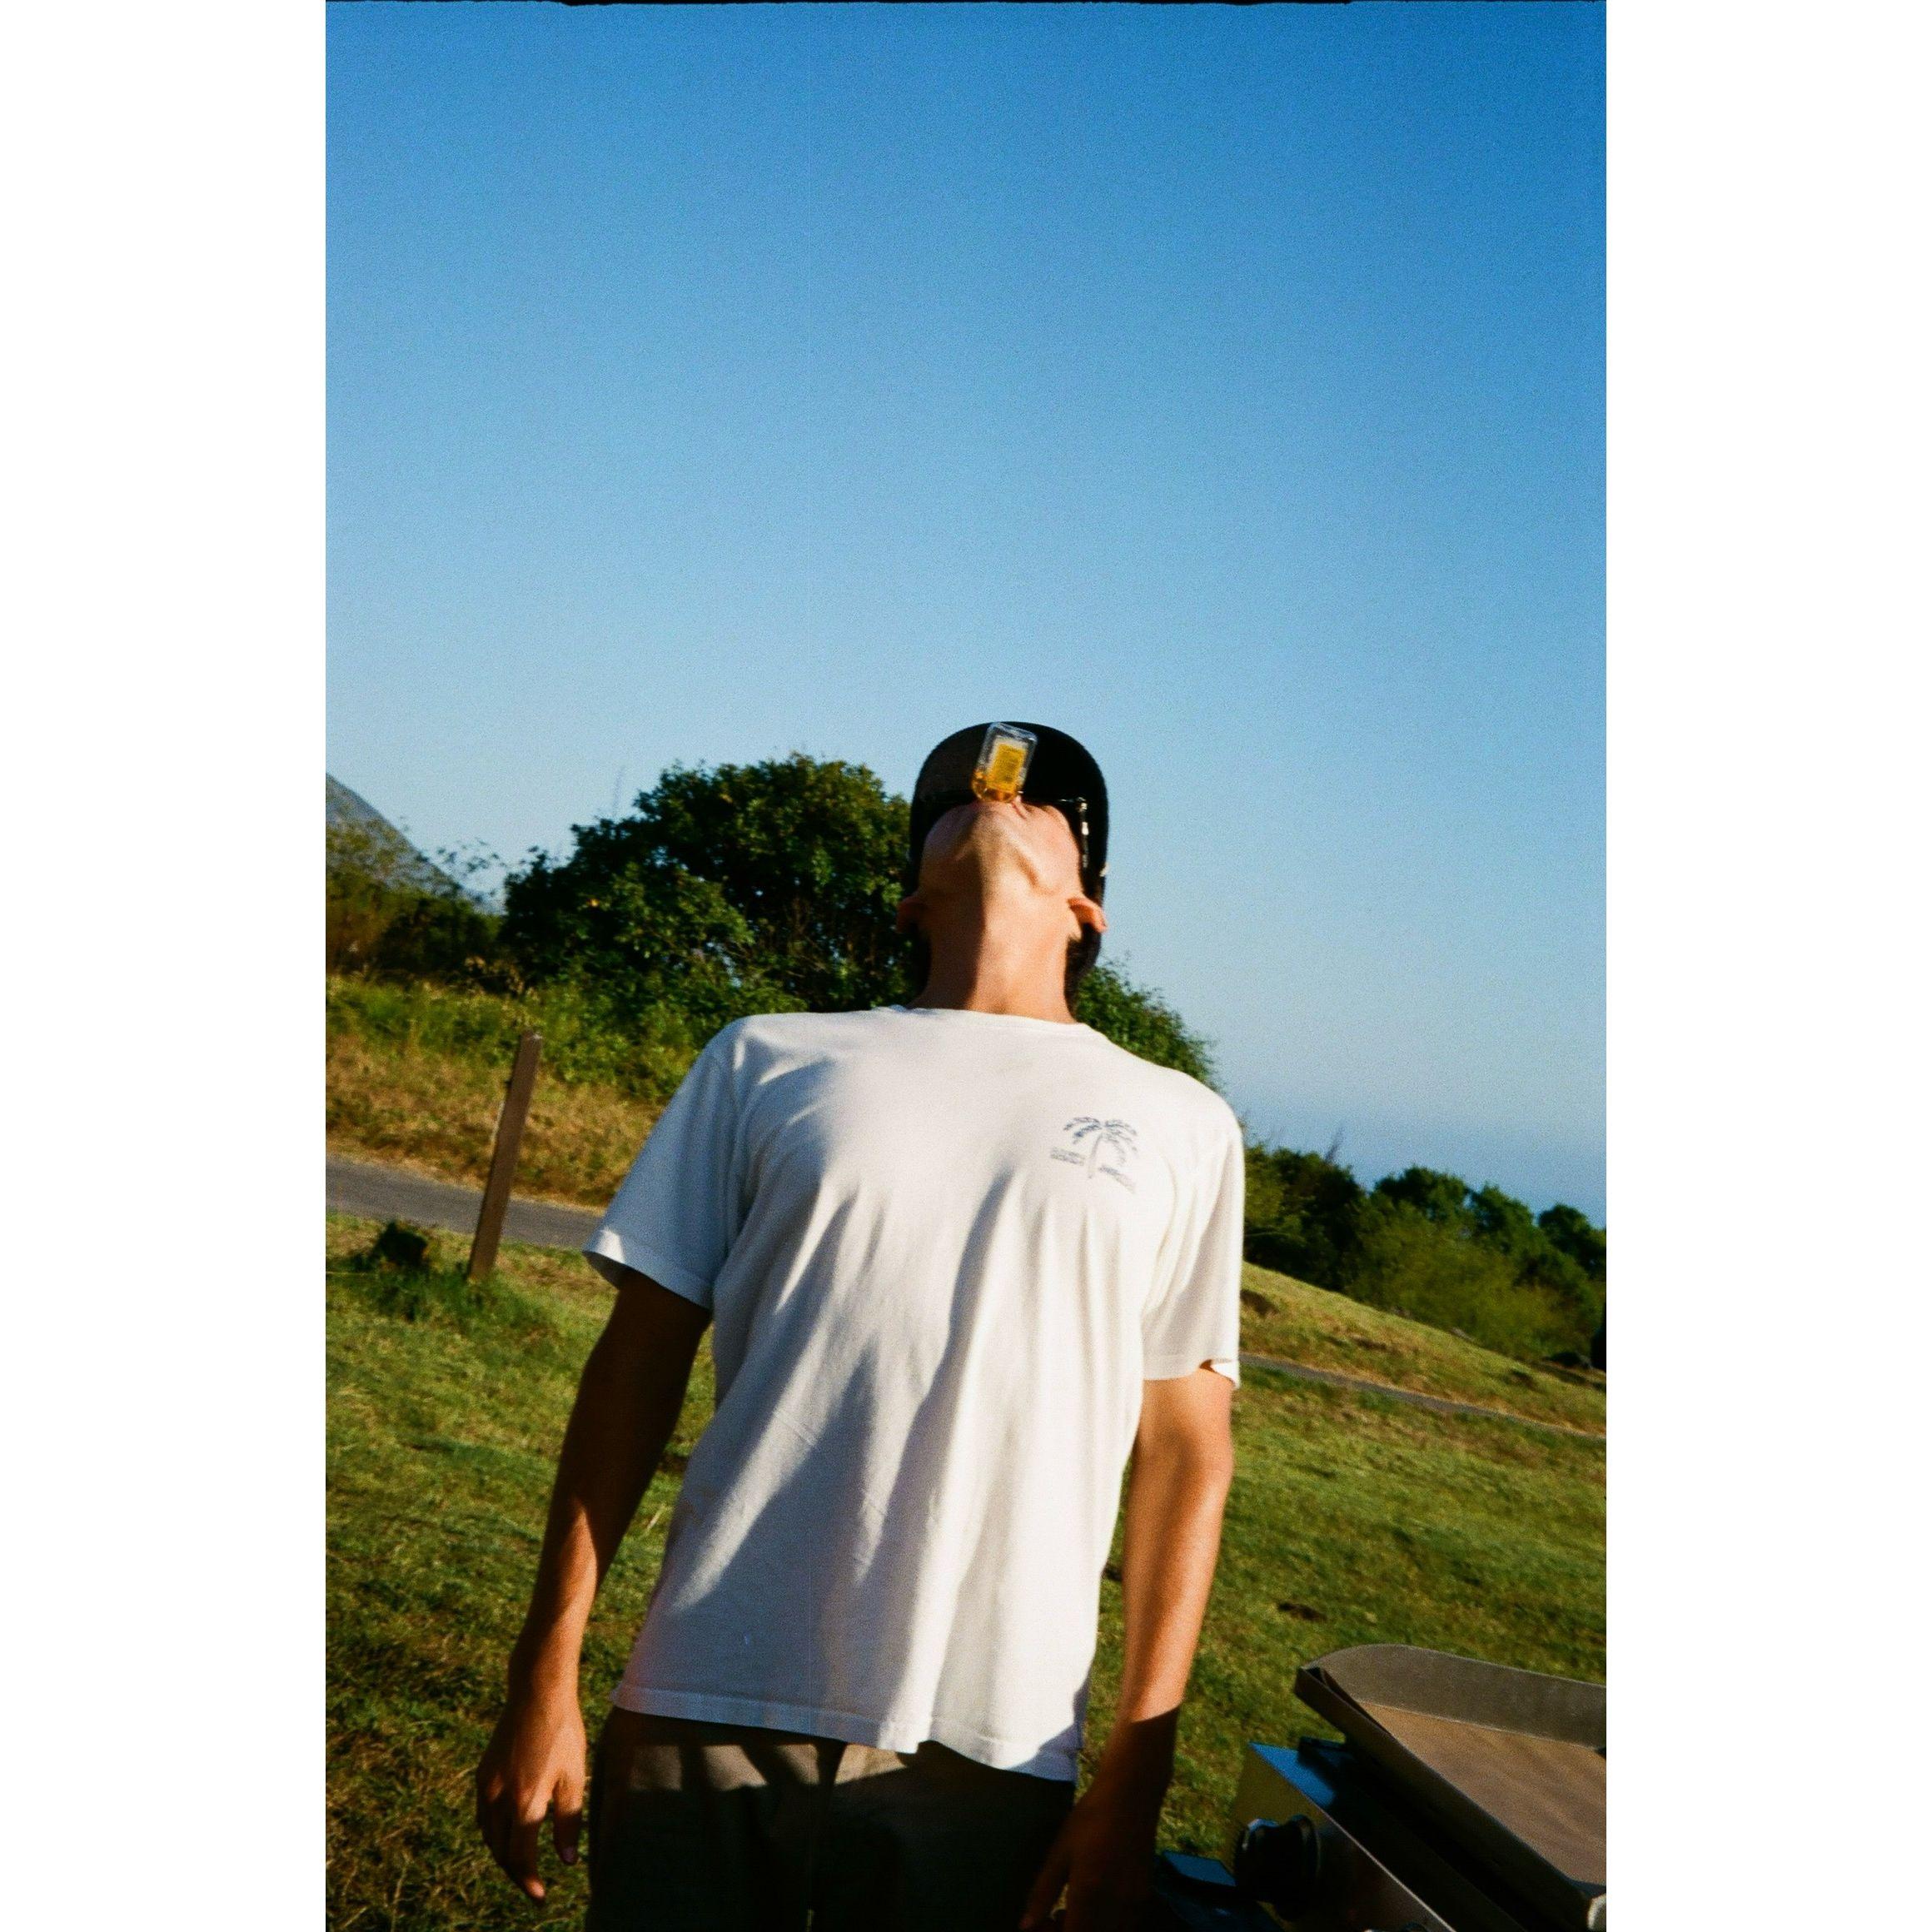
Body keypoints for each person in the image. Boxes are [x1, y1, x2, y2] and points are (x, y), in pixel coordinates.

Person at [474, 723, 1244, 1931]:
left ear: (1087, 909)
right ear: (910, 899)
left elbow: (1188, 1450)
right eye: (952, 803)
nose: (1000, 797)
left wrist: (1136, 1773)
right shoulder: (764, 1061)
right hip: (706, 1697)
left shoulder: (1181, 1123)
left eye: (1051, 803)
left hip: (993, 1744)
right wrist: (545, 1674)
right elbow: (632, 1371)